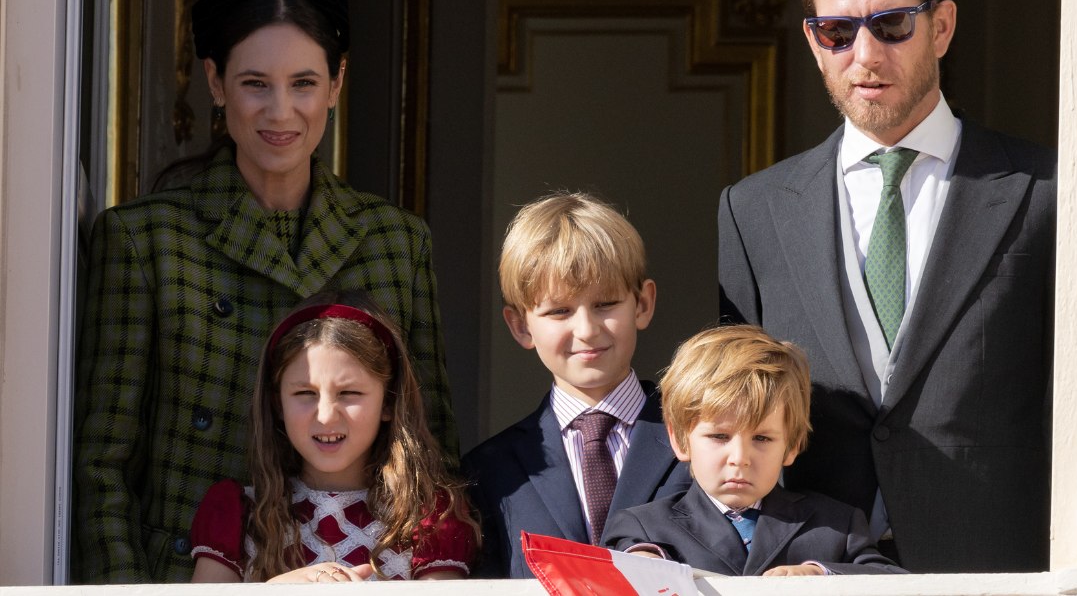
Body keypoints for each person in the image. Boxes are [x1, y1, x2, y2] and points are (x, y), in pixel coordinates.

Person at [72, 0, 458, 583]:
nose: (281, 111)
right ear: (215, 82)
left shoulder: (396, 242)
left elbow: (431, 449)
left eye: (304, 82)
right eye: (255, 83)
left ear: (336, 84)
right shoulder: (144, 240)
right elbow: (101, 470)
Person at [717, 0, 1055, 573]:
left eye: (890, 24)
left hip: (993, 567)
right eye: (837, 31)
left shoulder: (1042, 191)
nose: (864, 55)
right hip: (813, 573)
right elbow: (733, 410)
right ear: (814, 44)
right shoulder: (752, 211)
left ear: (942, 27)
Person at [461, 192, 691, 578]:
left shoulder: (705, 437)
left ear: (643, 304)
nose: (586, 330)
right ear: (520, 326)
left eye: (605, 304)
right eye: (559, 311)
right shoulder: (489, 472)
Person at [189, 292, 477, 582]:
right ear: (278, 404)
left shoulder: (430, 520)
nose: (326, 416)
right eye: (305, 394)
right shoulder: (238, 514)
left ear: (388, 402)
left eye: (349, 393)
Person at [602, 325, 905, 576]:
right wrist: (642, 562)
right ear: (681, 440)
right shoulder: (643, 528)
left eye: (761, 439)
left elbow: (892, 582)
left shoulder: (836, 525)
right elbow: (618, 563)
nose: (740, 458)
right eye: (720, 436)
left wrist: (820, 575)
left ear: (792, 444)